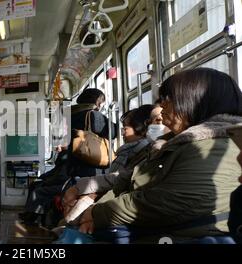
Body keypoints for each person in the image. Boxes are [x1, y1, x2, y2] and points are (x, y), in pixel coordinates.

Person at [76, 68, 242, 243]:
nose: (162, 106)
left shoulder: (211, 146)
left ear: (196, 101)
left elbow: (165, 202)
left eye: (168, 99)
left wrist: (97, 212)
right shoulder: (176, 142)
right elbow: (135, 179)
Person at [62, 105, 155, 220]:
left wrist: (88, 194)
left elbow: (119, 179)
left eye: (125, 129)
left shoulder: (139, 152)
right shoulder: (130, 150)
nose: (122, 133)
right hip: (111, 194)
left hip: (118, 199)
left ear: (140, 128)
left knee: (69, 218)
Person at [68, 88, 117, 178]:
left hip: (71, 161)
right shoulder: (93, 115)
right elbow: (113, 131)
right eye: (102, 102)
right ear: (98, 101)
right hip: (89, 164)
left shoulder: (69, 114)